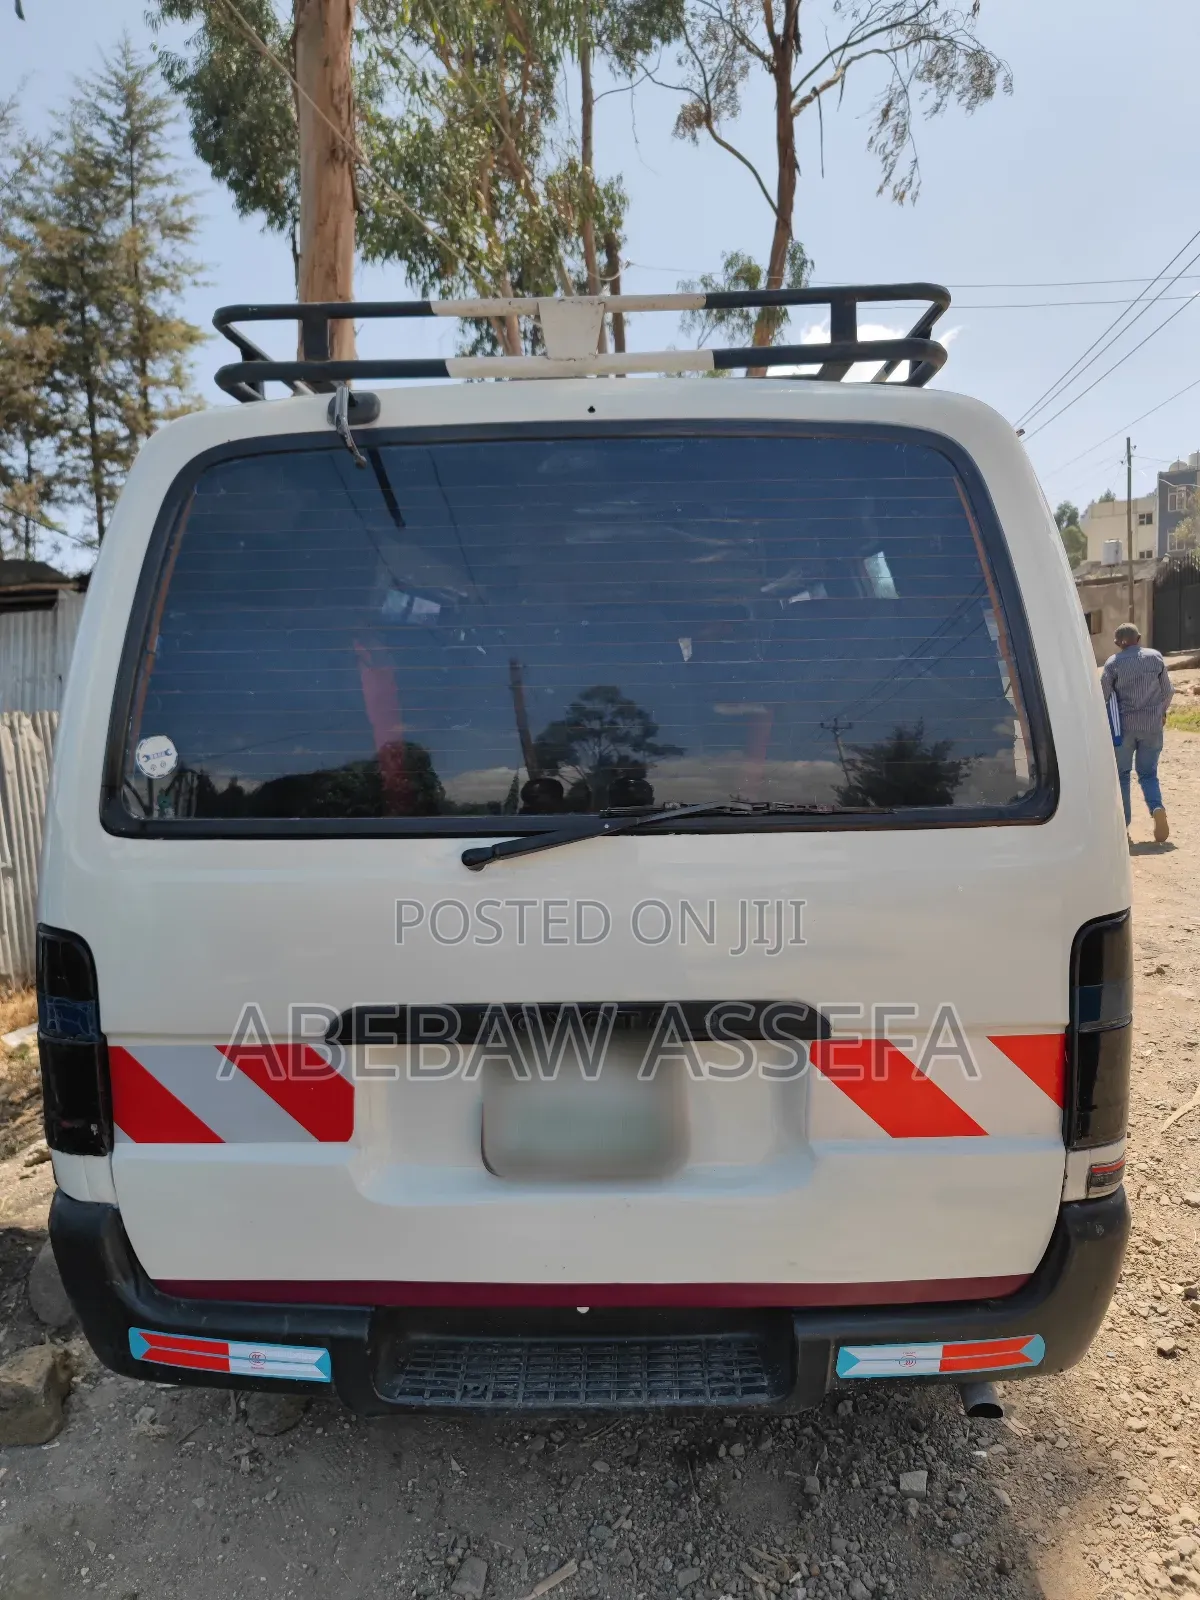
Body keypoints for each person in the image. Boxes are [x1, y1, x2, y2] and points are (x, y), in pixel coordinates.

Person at [1101, 622, 1174, 842]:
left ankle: (1123, 825)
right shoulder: (1155, 657)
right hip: (1152, 726)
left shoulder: (1112, 664)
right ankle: (1156, 808)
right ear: (1139, 638)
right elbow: (1168, 691)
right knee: (1148, 773)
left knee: (1122, 775)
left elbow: (1103, 695)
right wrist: (1161, 713)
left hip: (1124, 728)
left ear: (1116, 643)